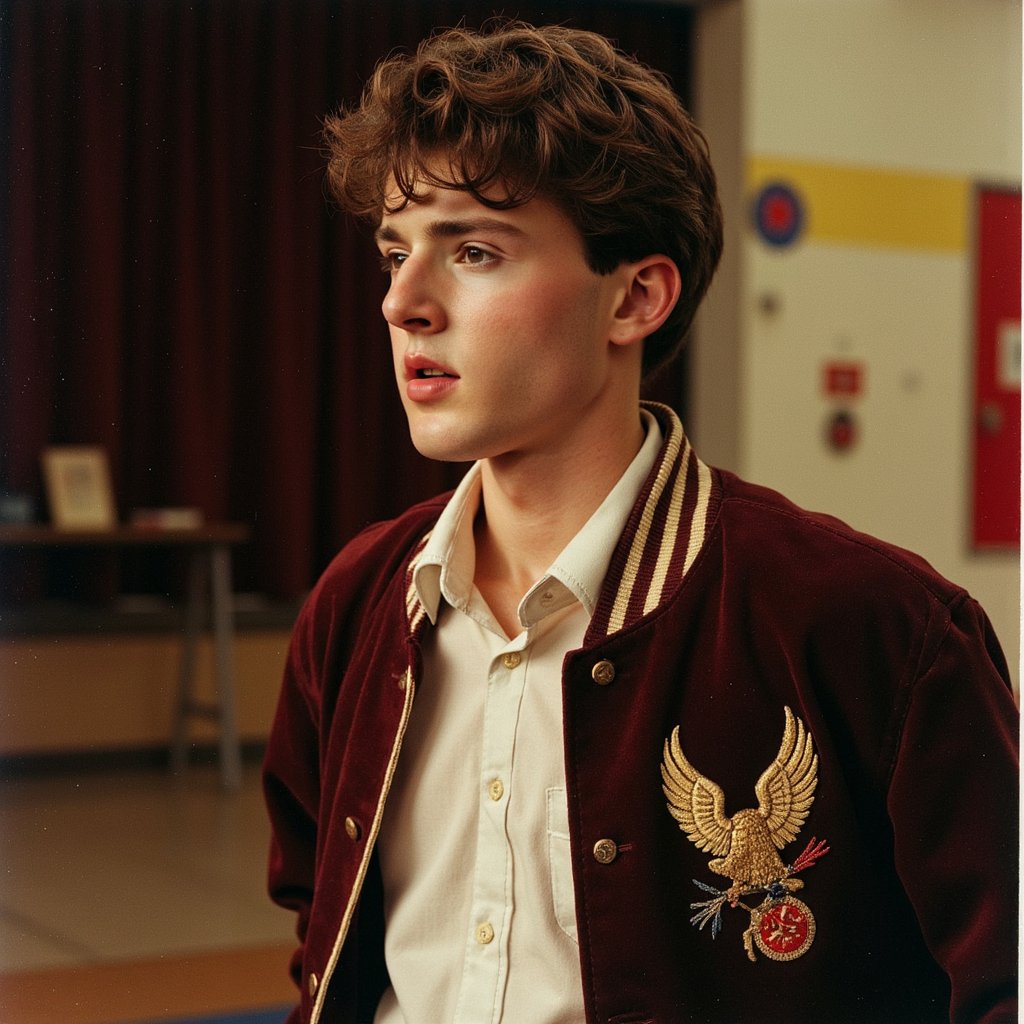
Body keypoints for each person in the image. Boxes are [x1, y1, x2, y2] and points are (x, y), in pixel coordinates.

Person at [263, 21, 1018, 1024]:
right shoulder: (357, 603)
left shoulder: (873, 629)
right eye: (395, 251)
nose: (404, 300)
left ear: (635, 298)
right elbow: (322, 921)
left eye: (474, 250)